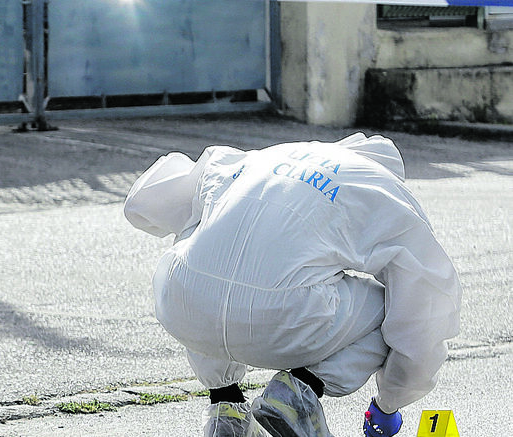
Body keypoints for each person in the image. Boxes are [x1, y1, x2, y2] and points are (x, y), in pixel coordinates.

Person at [123, 133, 461, 437]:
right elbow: (425, 309)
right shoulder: (381, 190)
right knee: (393, 307)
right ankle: (297, 395)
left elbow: (142, 202)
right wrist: (390, 401)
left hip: (182, 305)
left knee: (204, 257)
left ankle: (226, 410)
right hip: (280, 319)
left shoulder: (258, 158)